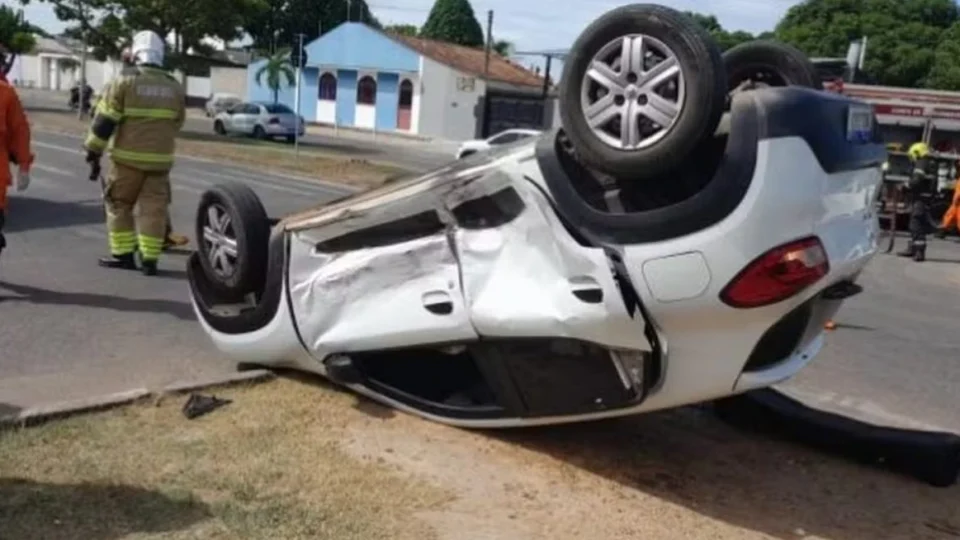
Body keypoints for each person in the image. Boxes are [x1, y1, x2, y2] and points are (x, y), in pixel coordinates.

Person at [83, 30, 186, 276]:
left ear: (136, 52)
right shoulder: (174, 86)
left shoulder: (125, 81)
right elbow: (178, 122)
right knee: (154, 209)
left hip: (126, 160)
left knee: (119, 204)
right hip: (160, 162)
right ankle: (150, 260)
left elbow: (104, 121)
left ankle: (123, 255)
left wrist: (92, 151)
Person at [118, 47, 188, 252]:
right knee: (155, 199)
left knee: (124, 202)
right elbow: (178, 121)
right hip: (158, 153)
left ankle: (142, 242)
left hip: (128, 152)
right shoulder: (169, 84)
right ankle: (160, 236)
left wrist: (95, 148)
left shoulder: (126, 80)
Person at [0, 48, 34, 260]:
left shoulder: (6, 94)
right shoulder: (5, 93)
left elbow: (20, 131)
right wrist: (23, 166)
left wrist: (23, 165)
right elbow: (20, 132)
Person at [898, 141, 938, 262]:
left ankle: (919, 251)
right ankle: (913, 248)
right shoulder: (931, 163)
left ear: (916, 153)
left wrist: (905, 186)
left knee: (916, 223)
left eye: (912, 156)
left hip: (920, 197)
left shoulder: (921, 163)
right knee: (916, 222)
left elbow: (916, 181)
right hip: (925, 197)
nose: (912, 159)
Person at [935, 163, 960, 239]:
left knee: (951, 216)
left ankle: (942, 232)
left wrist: (956, 200)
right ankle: (942, 231)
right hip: (956, 202)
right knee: (949, 216)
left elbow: (958, 192)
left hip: (957, 202)